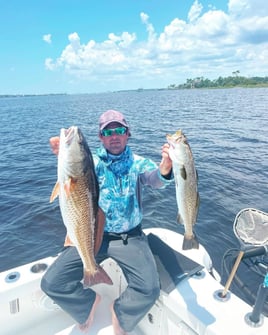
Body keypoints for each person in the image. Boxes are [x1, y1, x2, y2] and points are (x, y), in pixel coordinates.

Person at [41, 110, 173, 335]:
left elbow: (155, 179)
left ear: (128, 134)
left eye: (119, 130)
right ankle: (88, 302)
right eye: (108, 132)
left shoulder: (138, 163)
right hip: (92, 236)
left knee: (149, 289)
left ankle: (120, 313)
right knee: (52, 283)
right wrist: (61, 150)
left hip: (129, 238)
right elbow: (75, 166)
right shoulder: (91, 163)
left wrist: (165, 169)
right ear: (100, 137)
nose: (114, 136)